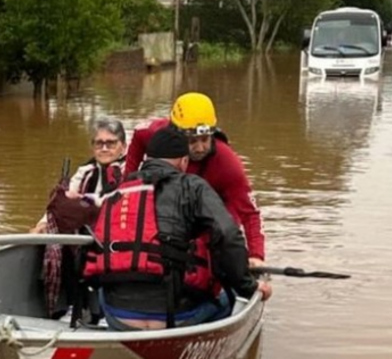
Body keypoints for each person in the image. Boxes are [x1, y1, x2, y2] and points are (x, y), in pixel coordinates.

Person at [85, 126, 272, 331]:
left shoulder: (117, 193)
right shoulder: (194, 186)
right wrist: (249, 286)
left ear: (148, 159)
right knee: (232, 295)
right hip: (175, 318)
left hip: (120, 317)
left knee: (104, 290)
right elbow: (228, 235)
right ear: (184, 161)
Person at [124, 92, 266, 267]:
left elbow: (250, 212)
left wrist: (256, 255)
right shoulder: (152, 133)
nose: (200, 148)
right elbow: (137, 138)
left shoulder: (227, 162)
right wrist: (127, 184)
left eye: (205, 139)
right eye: (192, 141)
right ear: (175, 134)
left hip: (214, 213)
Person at [30, 118, 127, 234]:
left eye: (111, 144)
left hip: (118, 231)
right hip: (86, 234)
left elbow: (113, 201)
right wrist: (43, 223)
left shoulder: (131, 171)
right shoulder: (85, 172)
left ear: (123, 147)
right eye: (99, 143)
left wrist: (82, 199)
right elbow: (61, 201)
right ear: (93, 147)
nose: (104, 149)